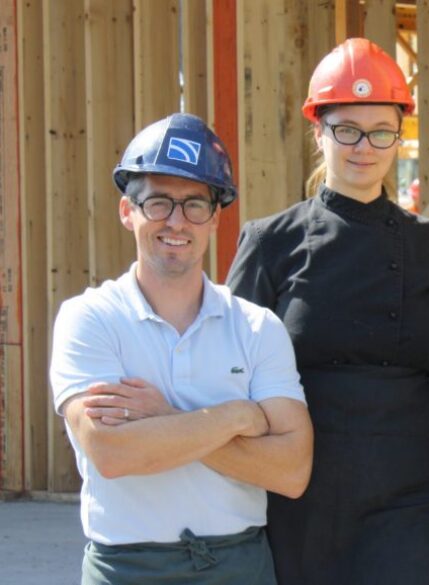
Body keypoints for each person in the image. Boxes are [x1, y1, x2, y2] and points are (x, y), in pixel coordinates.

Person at [226, 38, 429, 584]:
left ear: (398, 137)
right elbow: (228, 367)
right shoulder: (269, 242)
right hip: (304, 486)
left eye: (381, 131)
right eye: (346, 129)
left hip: (411, 485)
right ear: (318, 132)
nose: (364, 147)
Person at [49, 113, 313, 585]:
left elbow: (292, 471)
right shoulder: (89, 318)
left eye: (194, 205)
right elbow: (111, 453)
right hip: (127, 569)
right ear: (127, 211)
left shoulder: (256, 328)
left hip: (238, 567)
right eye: (158, 203)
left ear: (215, 217)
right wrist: (237, 416)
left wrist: (164, 418)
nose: (176, 221)